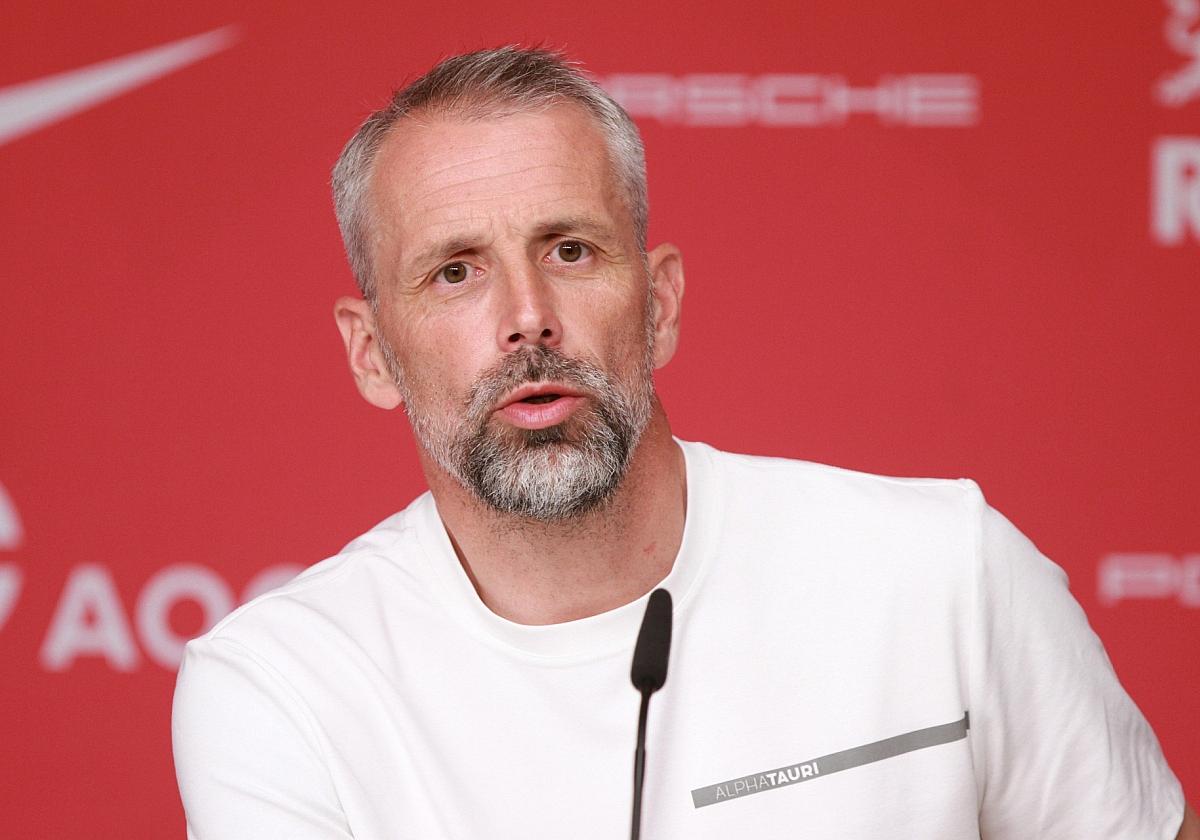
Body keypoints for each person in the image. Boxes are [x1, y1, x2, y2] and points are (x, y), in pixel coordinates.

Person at [172, 46, 1196, 839]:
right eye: (455, 272)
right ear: (371, 354)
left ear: (658, 303)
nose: (527, 319)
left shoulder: (944, 573)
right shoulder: (283, 688)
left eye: (571, 251)